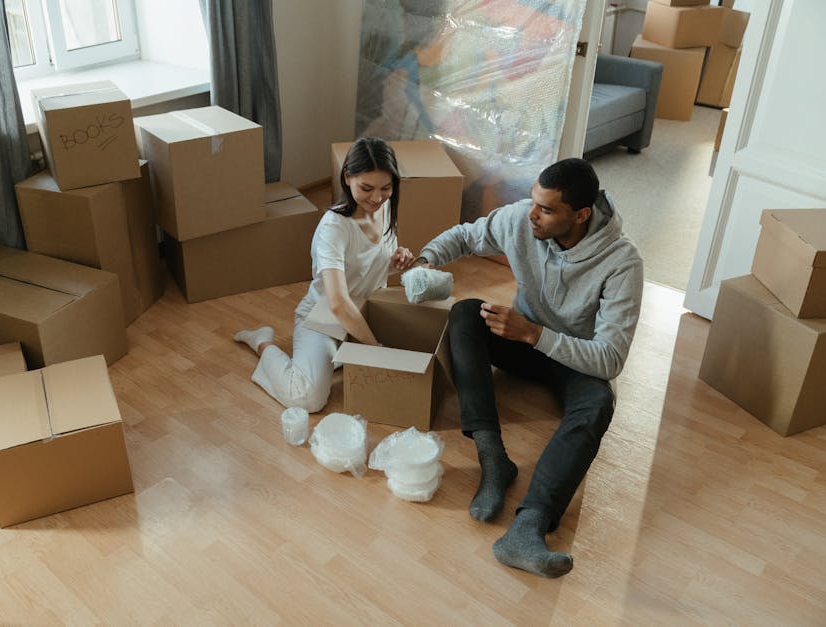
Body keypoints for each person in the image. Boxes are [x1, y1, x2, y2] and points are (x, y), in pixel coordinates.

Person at [414, 157, 643, 578]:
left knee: (598, 403)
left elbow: (611, 358)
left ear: (581, 215)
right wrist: (427, 260)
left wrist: (535, 334)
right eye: (532, 201)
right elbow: (467, 235)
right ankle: (493, 459)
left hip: (573, 356)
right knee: (466, 313)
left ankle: (528, 526)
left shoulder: (622, 263)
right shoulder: (523, 218)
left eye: (547, 209)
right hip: (522, 338)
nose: (531, 214)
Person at [234, 137, 414, 412]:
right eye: (366, 188)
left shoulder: (384, 207)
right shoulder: (334, 228)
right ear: (347, 177)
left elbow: (367, 267)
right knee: (307, 398)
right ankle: (263, 342)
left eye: (386, 188)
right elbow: (338, 304)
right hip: (324, 316)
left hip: (361, 312)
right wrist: (376, 349)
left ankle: (338, 356)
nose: (377, 198)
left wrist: (394, 262)